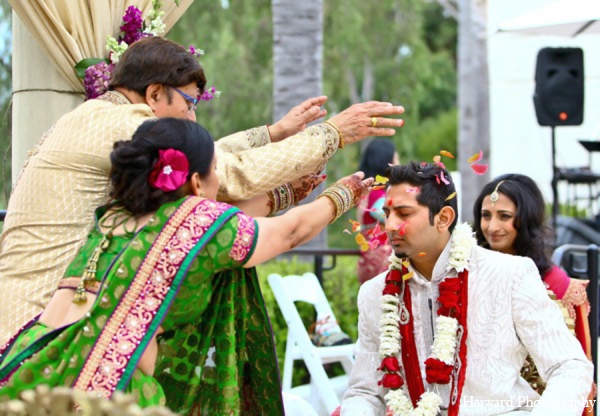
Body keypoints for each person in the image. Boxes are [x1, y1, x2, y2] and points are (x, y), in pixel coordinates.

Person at [0, 36, 405, 343]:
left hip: (41, 316)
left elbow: (202, 164)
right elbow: (230, 178)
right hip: (37, 325)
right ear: (155, 94)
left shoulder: (101, 118)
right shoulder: (122, 124)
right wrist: (332, 138)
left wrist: (273, 135)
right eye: (190, 104)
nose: (193, 116)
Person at [0, 118, 374, 414]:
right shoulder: (194, 221)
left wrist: (287, 194)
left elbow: (218, 226)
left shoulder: (115, 216)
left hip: (29, 371)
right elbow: (288, 233)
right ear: (196, 181)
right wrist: (344, 193)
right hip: (107, 393)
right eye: (215, 172)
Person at [341, 162, 593, 416]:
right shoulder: (375, 294)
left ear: (444, 218)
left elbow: (569, 366)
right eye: (387, 213)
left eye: (404, 213)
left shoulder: (508, 274)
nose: (390, 225)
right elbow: (365, 392)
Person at [473, 174, 592, 361]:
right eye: (486, 216)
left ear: (526, 219)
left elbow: (576, 366)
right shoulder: (471, 273)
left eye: (504, 216)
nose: (492, 227)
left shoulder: (556, 284)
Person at [356, 139, 399, 284]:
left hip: (369, 259)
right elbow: (393, 218)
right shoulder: (377, 195)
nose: (398, 162)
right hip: (383, 263)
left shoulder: (365, 192)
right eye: (395, 157)